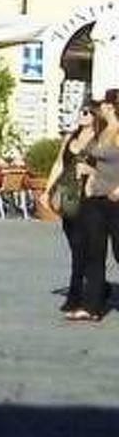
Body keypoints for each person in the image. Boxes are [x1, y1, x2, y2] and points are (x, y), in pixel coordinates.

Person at [63, 94, 119, 322]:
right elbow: (95, 162)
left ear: (112, 107)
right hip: (95, 199)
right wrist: (90, 174)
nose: (101, 107)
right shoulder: (101, 132)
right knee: (94, 253)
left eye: (105, 103)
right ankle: (91, 307)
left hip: (115, 199)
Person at [50, 104, 97, 307]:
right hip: (68, 194)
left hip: (90, 196)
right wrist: (47, 190)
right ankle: (98, 285)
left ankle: (74, 295)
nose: (82, 115)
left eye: (86, 112)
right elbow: (59, 164)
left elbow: (110, 168)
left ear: (95, 116)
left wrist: (91, 171)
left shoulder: (100, 139)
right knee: (74, 243)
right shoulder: (70, 137)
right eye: (81, 112)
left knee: (80, 245)